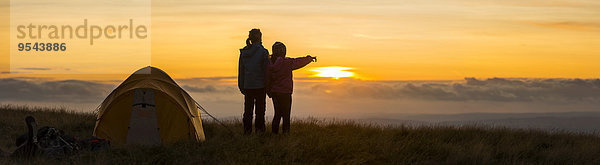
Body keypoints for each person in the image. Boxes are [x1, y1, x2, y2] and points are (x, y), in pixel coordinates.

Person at [267, 42, 316, 134]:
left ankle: (274, 135)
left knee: (277, 114)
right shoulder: (287, 62)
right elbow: (298, 62)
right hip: (285, 93)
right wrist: (309, 59)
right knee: (286, 115)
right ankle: (286, 135)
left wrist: (268, 91)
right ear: (284, 51)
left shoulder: (268, 63)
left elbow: (267, 78)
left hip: (274, 92)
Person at [238, 29, 270, 134]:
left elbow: (241, 71)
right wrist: (268, 85)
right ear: (260, 37)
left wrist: (241, 85)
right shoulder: (263, 52)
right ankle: (260, 132)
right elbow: (266, 70)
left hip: (248, 85)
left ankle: (247, 132)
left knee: (248, 112)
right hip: (260, 85)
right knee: (260, 112)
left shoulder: (244, 52)